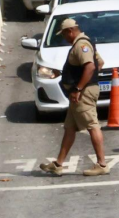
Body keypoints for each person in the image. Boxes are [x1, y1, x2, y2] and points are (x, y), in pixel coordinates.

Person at [40, 19, 109, 177]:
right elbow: (100, 62)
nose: (64, 37)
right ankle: (58, 164)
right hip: (80, 92)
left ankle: (102, 164)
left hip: (82, 93)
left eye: (64, 34)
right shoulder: (85, 43)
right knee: (69, 127)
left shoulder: (81, 45)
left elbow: (91, 66)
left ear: (70, 31)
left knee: (92, 125)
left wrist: (79, 87)